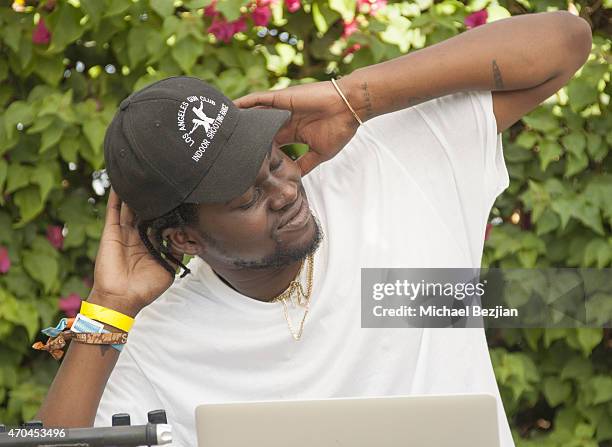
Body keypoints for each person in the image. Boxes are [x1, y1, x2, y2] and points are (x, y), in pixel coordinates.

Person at [36, 10, 591, 447]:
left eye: (272, 159)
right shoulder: (156, 344)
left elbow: (566, 41)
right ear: (185, 238)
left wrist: (353, 97)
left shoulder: (384, 166)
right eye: (247, 195)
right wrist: (108, 307)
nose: (284, 190)